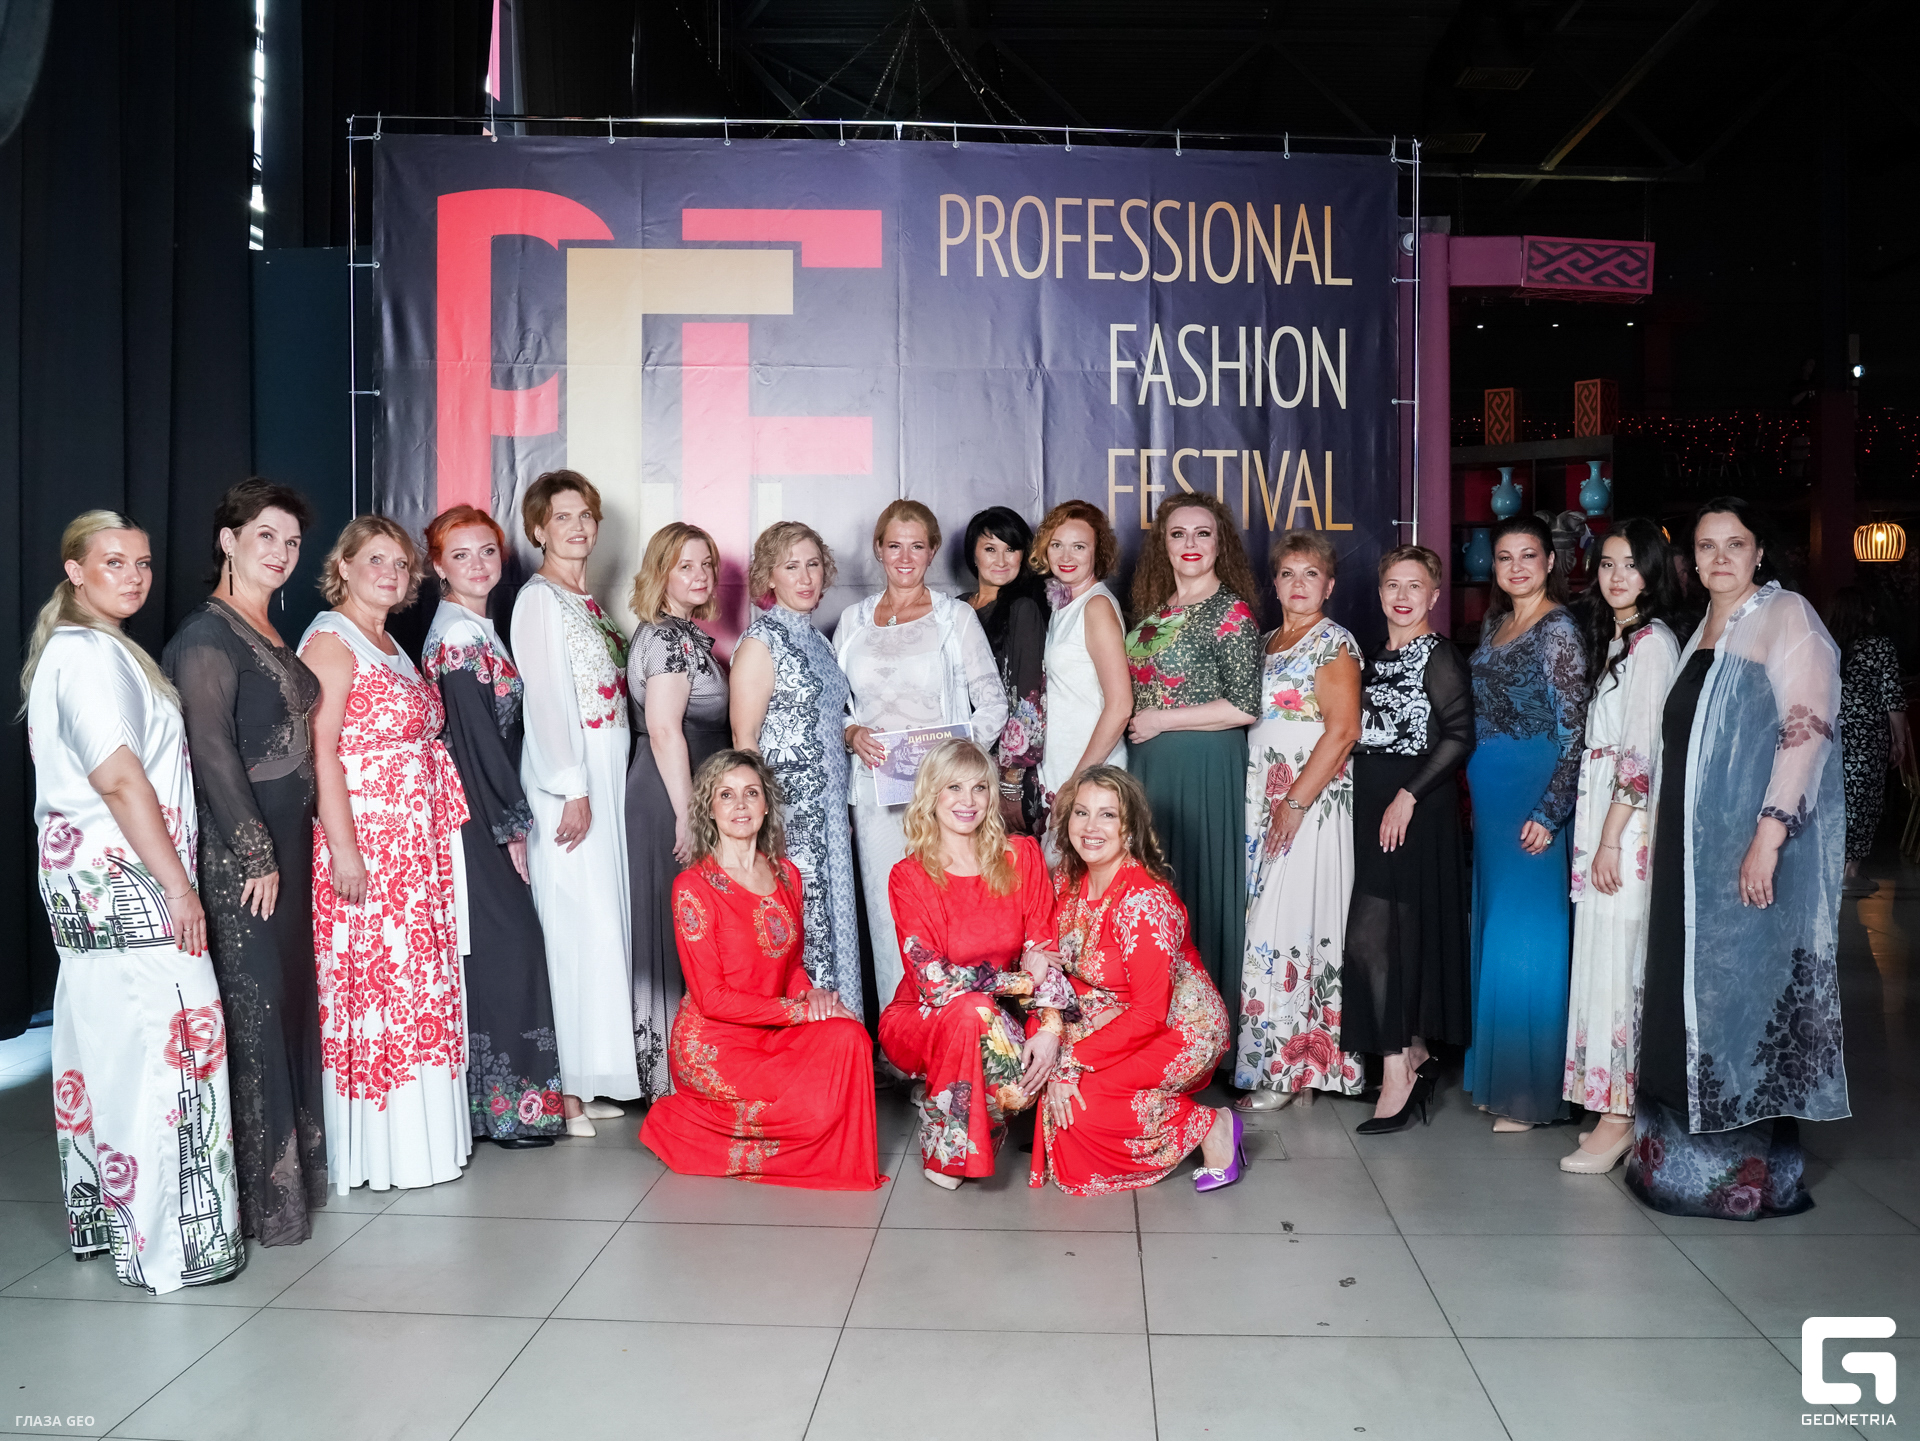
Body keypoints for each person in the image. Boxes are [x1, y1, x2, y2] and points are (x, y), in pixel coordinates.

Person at [26, 511, 245, 1293]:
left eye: (143, 562)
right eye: (113, 561)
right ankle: (172, 1247)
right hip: (130, 888)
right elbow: (120, 780)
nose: (133, 575)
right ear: (75, 570)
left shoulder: (88, 648)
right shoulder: (87, 655)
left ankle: (117, 1228)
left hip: (96, 885)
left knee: (112, 1050)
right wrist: (179, 886)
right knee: (173, 1046)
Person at [1627, 498, 1847, 1220]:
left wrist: (1770, 834)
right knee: (1683, 1000)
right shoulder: (1700, 630)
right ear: (1691, 560)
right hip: (1688, 856)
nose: (1720, 558)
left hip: (1747, 852)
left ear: (1759, 552)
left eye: (1735, 543)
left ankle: (1743, 1178)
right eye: (1706, 546)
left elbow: (1806, 729)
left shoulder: (1787, 618)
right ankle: (1673, 1169)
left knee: (1742, 1004)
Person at [161, 479, 326, 1246]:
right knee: (256, 1009)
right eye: (266, 536)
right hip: (244, 857)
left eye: (291, 541)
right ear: (227, 540)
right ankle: (263, 1201)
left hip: (288, 845)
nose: (281, 552)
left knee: (286, 1004)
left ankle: (293, 1180)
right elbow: (211, 750)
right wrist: (255, 851)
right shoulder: (206, 635)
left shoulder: (264, 627)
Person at [303, 517, 472, 1192]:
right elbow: (320, 752)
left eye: (400, 564)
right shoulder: (331, 640)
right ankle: (380, 1149)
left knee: (415, 979)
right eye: (375, 560)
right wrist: (344, 851)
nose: (391, 573)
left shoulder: (390, 643)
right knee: (380, 981)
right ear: (343, 566)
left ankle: (423, 1142)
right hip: (369, 843)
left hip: (415, 849)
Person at [639, 751, 882, 1190]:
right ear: (709, 809)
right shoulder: (692, 886)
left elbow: (792, 966)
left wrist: (811, 996)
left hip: (772, 1029)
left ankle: (822, 1149)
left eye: (751, 793)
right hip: (714, 1043)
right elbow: (711, 999)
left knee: (850, 1037)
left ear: (766, 804)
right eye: (726, 795)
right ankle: (679, 1124)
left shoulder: (787, 874)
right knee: (812, 1107)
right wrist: (800, 1012)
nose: (740, 805)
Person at [421, 505, 564, 1149]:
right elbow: (475, 743)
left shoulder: (477, 628)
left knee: (495, 949)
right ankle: (510, 1110)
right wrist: (510, 827)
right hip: (474, 811)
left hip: (482, 802)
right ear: (437, 566)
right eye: (461, 555)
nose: (478, 565)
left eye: (486, 551)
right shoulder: (457, 636)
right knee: (509, 946)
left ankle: (500, 1109)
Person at [1031, 766, 1241, 1195]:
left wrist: (1072, 1060)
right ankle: (1137, 1100)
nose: (1091, 827)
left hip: (1178, 1027)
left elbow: (1149, 1013)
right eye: (1081, 813)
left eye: (1107, 815)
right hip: (1108, 1013)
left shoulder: (1144, 903)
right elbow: (1062, 966)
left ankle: (1209, 1126)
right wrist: (1037, 959)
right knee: (1052, 1083)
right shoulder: (1067, 879)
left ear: (1129, 829)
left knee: (1079, 1104)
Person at [836, 500, 1007, 1012]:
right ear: (878, 550)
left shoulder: (955, 618)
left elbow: (993, 705)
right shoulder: (852, 621)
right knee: (888, 915)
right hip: (877, 793)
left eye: (917, 546)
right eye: (894, 545)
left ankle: (952, 1031)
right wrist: (851, 732)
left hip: (944, 797)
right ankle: (900, 1036)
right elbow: (832, 705)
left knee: (946, 914)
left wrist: (952, 767)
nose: (905, 557)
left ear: (933, 551)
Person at [511, 470, 641, 1137]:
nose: (578, 527)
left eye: (586, 515)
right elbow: (544, 700)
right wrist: (572, 786)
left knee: (600, 925)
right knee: (571, 922)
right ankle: (562, 1091)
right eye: (562, 517)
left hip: (606, 770)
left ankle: (590, 1077)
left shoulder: (585, 600)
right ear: (538, 528)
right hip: (571, 776)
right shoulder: (538, 600)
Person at [877, 739, 1064, 1189]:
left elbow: (1047, 950)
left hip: (999, 1014)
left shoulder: (1022, 855)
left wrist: (1049, 1027)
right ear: (931, 795)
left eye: (979, 787)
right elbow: (934, 983)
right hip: (923, 1017)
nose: (968, 800)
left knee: (1019, 1078)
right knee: (970, 1009)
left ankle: (950, 1097)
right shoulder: (909, 876)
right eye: (954, 787)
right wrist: (1021, 979)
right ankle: (947, 1155)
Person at [1561, 520, 1682, 1174]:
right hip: (1603, 812)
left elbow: (1639, 756)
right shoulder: (1619, 638)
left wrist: (1610, 840)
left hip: (1625, 825)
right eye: (1607, 563)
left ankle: (1621, 1112)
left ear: (1652, 571)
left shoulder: (1652, 643)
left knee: (1620, 958)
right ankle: (1608, 1102)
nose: (1616, 576)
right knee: (1603, 951)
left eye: (1631, 564)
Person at [1123, 493, 1262, 1054]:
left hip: (1204, 766)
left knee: (1197, 890)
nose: (1190, 544)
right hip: (1152, 769)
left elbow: (1245, 705)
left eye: (1202, 533)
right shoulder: (1158, 611)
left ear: (1219, 543)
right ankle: (1158, 1035)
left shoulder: (1231, 612)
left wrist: (1160, 719)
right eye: (1178, 534)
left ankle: (1207, 1042)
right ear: (1163, 544)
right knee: (1159, 893)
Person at [1343, 546, 1475, 1134]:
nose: (1402, 596)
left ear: (1434, 596)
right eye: (1392, 585)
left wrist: (1408, 795)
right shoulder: (1373, 657)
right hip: (1373, 804)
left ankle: (1395, 1071)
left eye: (1414, 586)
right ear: (1379, 593)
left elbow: (1460, 735)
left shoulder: (1438, 654)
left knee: (1373, 937)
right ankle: (1414, 1051)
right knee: (1394, 934)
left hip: (1413, 807)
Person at [1465, 513, 1590, 1133]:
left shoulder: (1558, 628)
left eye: (1529, 556)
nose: (1516, 567)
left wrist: (1550, 810)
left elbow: (1575, 732)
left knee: (1531, 935)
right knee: (1498, 930)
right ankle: (1501, 1079)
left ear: (1550, 563)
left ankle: (1530, 1091)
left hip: (1534, 796)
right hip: (1492, 800)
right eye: (1505, 556)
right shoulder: (1496, 624)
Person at [1234, 531, 1363, 1110]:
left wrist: (1295, 803)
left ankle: (1290, 1071)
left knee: (1287, 925)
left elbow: (1344, 731)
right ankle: (1282, 1063)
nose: (1299, 584)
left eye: (1311, 574)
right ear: (1275, 583)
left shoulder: (1334, 643)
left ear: (1329, 585)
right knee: (1263, 926)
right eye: (1288, 573)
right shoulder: (1266, 642)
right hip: (1264, 798)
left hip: (1308, 803)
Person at [730, 522, 861, 1016]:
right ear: (770, 577)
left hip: (830, 816)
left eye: (813, 565)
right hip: (789, 816)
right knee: (803, 931)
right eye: (791, 567)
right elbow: (744, 742)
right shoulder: (761, 642)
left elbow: (828, 723)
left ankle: (844, 1040)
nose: (805, 578)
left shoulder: (820, 643)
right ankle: (808, 1045)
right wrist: (764, 824)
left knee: (836, 929)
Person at [626, 522, 730, 1103]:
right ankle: (668, 1076)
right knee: (674, 931)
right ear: (660, 574)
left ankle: (695, 1064)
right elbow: (665, 730)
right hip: (670, 796)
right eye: (685, 565)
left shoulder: (682, 633)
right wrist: (688, 814)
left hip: (686, 792)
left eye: (706, 564)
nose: (700, 575)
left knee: (692, 930)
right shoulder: (666, 639)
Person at [1031, 500, 1130, 835]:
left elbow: (1120, 706)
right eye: (1057, 545)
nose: (1066, 556)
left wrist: (1077, 783)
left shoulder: (1096, 606)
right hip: (1063, 768)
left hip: (1091, 775)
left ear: (1096, 552)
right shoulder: (1064, 605)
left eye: (1079, 546)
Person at [959, 506, 1051, 832]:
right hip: (960, 762)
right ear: (973, 555)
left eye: (1010, 549)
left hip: (1004, 770)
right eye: (990, 549)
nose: (1001, 560)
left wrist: (1011, 781)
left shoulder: (1023, 609)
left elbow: (1030, 701)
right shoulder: (956, 608)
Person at [1822, 587, 1912, 892]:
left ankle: (1829, 868)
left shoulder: (1824, 643)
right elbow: (1892, 695)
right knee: (1864, 801)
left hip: (1829, 732)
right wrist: (1900, 740)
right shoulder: (1879, 646)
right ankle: (1850, 871)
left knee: (1832, 799)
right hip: (1867, 735)